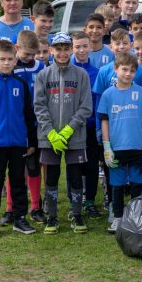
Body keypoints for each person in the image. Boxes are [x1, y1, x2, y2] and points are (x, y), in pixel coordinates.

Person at [0, 39, 38, 239]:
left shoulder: (20, 84)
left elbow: (29, 114)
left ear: (15, 60)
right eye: (2, 59)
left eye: (10, 59)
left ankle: (19, 218)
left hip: (19, 143)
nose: (6, 63)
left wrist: (31, 141)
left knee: (19, 181)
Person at [34, 32, 93, 235]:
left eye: (66, 48)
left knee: (75, 175)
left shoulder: (81, 75)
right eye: (58, 49)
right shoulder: (43, 75)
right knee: (51, 175)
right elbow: (39, 107)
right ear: (51, 50)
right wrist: (51, 133)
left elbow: (86, 107)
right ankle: (51, 216)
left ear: (71, 50)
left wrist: (68, 130)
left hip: (74, 136)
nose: (62, 52)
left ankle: (76, 214)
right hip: (49, 138)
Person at [98, 52, 142, 233]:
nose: (128, 74)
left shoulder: (141, 92)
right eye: (124, 69)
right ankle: (118, 218)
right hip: (116, 147)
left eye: (132, 71)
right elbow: (104, 121)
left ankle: (135, 218)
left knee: (138, 184)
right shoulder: (108, 95)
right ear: (115, 70)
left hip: (137, 147)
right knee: (117, 185)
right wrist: (107, 147)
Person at [1, 31, 46, 226]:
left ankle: (36, 206)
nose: (30, 58)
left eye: (33, 54)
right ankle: (10, 208)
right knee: (15, 168)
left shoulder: (41, 66)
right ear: (17, 48)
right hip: (16, 126)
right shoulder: (9, 67)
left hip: (36, 124)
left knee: (34, 166)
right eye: (27, 54)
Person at [70, 31, 103, 218]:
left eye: (84, 46)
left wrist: (98, 126)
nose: (81, 50)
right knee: (73, 165)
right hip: (72, 127)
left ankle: (89, 201)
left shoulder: (96, 73)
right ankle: (74, 200)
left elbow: (98, 102)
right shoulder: (67, 71)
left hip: (90, 126)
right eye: (77, 46)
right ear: (72, 48)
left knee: (91, 165)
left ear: (90, 47)